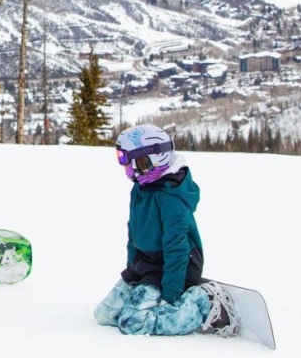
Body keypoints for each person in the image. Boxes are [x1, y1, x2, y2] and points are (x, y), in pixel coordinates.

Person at [93, 124, 240, 338]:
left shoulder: (170, 197)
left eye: (134, 163)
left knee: (132, 324)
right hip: (145, 266)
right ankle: (152, 302)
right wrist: (132, 275)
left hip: (170, 268)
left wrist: (171, 296)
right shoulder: (140, 188)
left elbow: (177, 248)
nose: (129, 170)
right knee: (104, 315)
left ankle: (204, 303)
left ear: (153, 159)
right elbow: (133, 234)